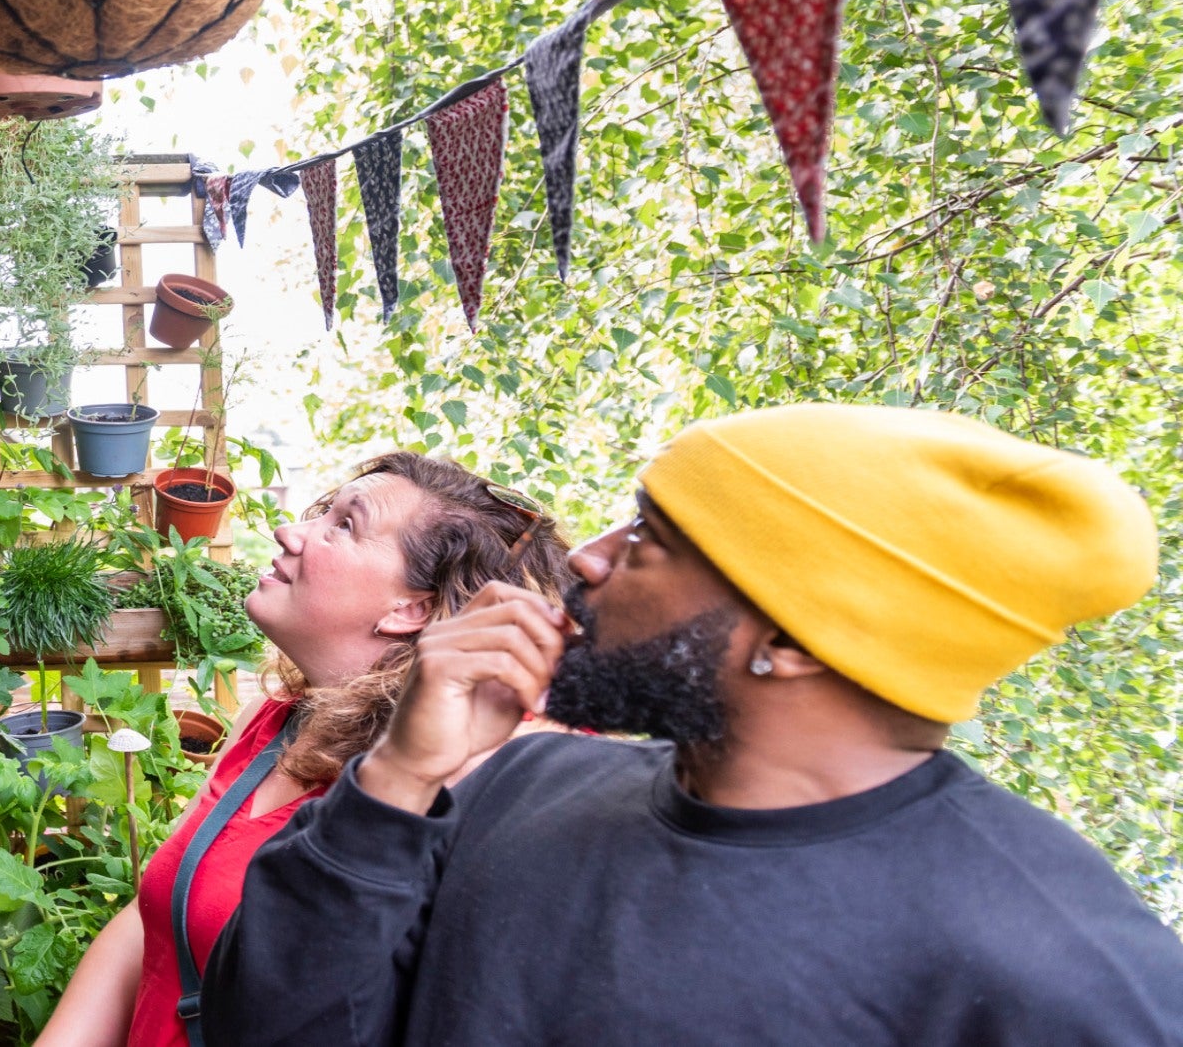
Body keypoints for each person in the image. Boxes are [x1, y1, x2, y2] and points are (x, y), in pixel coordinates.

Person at [213, 403, 1183, 1046]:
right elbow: (268, 1026)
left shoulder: (1051, 955)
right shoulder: (507, 789)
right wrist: (393, 779)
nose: (587, 559)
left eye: (653, 540)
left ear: (795, 640)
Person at [32, 453, 571, 1047]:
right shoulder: (275, 724)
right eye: (324, 513)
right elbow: (151, 919)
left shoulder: (481, 779)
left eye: (345, 524)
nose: (289, 532)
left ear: (411, 607)